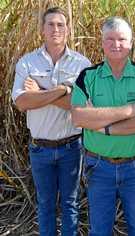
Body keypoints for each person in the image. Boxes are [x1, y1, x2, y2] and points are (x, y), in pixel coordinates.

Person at [71, 16, 135, 236]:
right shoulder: (87, 77)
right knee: (99, 230)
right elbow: (79, 117)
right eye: (109, 39)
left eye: (122, 39)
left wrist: (103, 126)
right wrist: (129, 111)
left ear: (131, 43)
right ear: (102, 43)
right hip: (98, 166)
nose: (116, 44)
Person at [11, 7, 90, 236]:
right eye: (51, 24)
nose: (56, 29)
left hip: (72, 147)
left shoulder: (81, 64)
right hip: (40, 149)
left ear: (68, 30)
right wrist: (63, 90)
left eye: (60, 25)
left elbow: (82, 107)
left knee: (70, 205)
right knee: (45, 206)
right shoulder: (27, 63)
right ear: (42, 30)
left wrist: (41, 92)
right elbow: (22, 103)